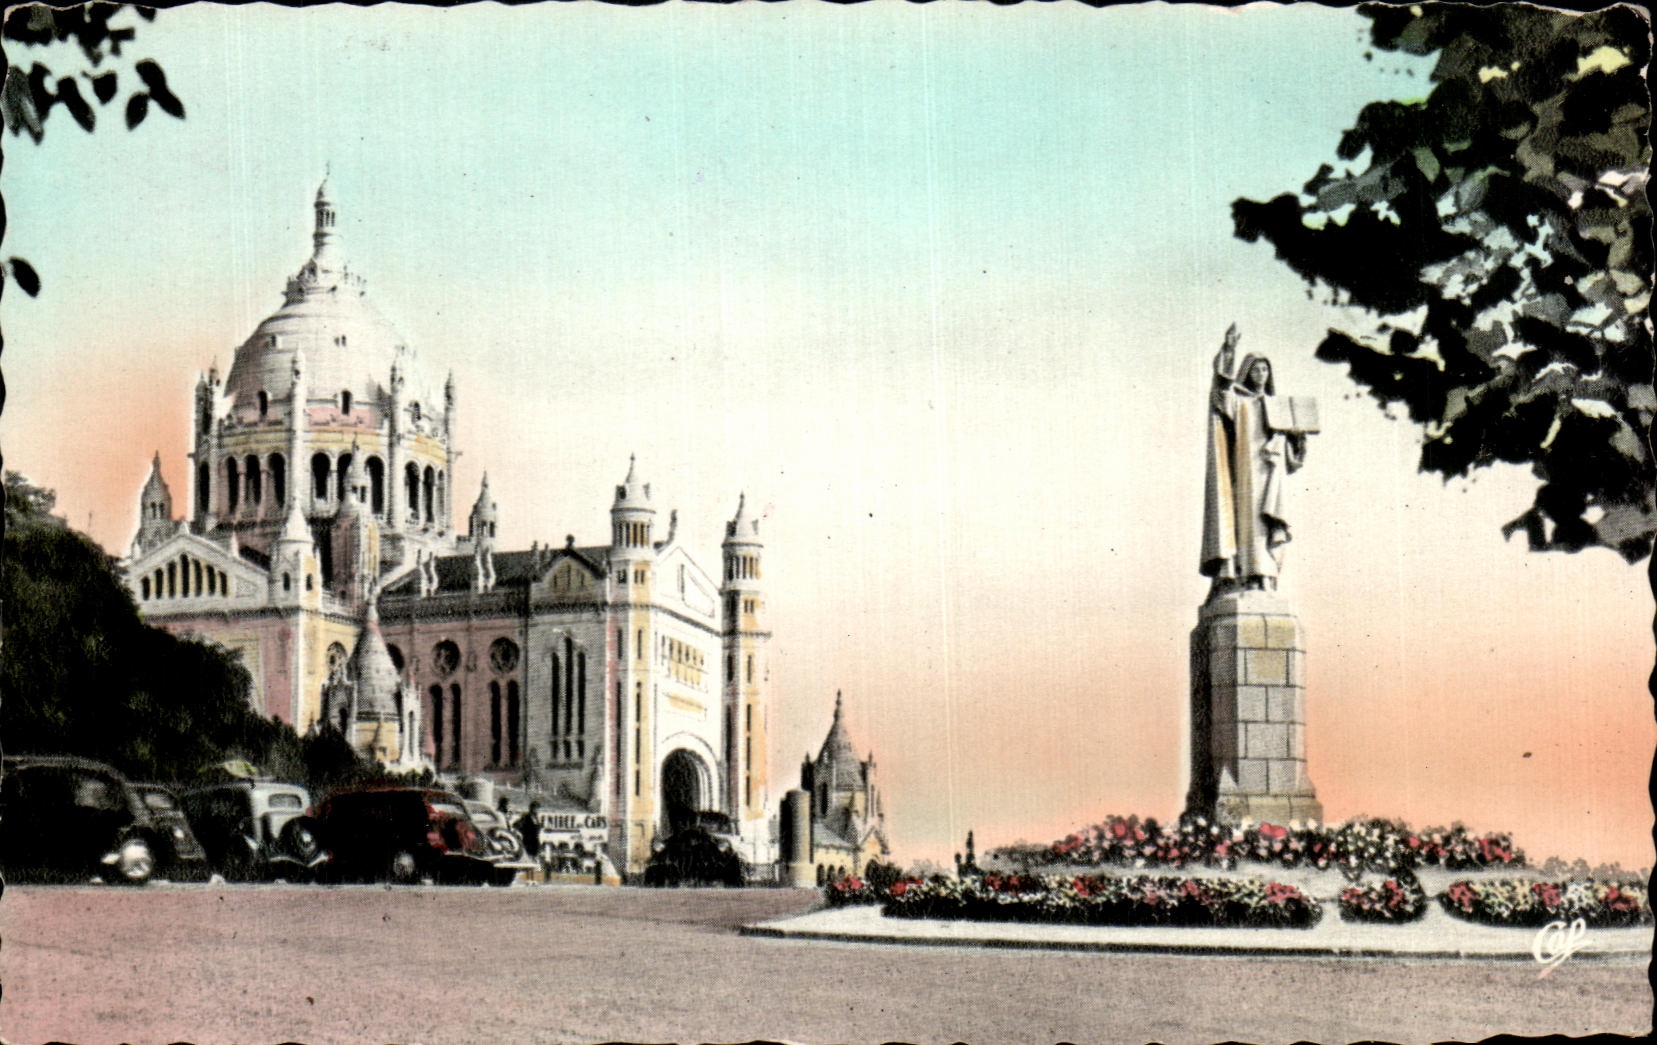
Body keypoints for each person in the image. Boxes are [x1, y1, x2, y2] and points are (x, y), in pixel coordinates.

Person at [1200, 324, 1309, 594]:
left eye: (1265, 369)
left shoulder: (1278, 406)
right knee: (1247, 521)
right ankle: (1246, 574)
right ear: (1247, 372)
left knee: (1267, 523)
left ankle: (1266, 576)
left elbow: (1294, 456)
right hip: (1246, 469)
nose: (1261, 374)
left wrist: (1297, 437)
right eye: (1256, 369)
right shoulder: (1240, 401)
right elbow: (1221, 391)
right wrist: (1229, 350)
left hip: (1271, 471)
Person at [514, 801, 544, 878]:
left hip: (536, 841)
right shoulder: (526, 816)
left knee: (534, 859)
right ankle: (528, 878)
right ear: (532, 808)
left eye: (538, 809)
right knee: (529, 859)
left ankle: (533, 878)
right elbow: (515, 824)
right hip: (528, 841)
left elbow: (538, 828)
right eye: (536, 808)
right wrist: (524, 832)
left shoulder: (537, 818)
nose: (538, 810)